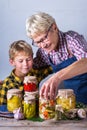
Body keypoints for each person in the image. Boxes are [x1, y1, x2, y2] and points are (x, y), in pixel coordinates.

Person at [26, 12, 87, 104]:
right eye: (38, 42)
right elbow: (29, 66)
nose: (43, 45)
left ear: (54, 27)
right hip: (69, 96)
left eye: (44, 38)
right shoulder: (43, 53)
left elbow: (85, 62)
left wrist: (57, 77)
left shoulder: (72, 40)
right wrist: (9, 80)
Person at [0, 40, 52, 105]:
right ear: (12, 62)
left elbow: (54, 67)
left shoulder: (35, 74)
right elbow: (2, 108)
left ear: (33, 58)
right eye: (20, 61)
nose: (25, 64)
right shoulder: (8, 83)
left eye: (28, 59)